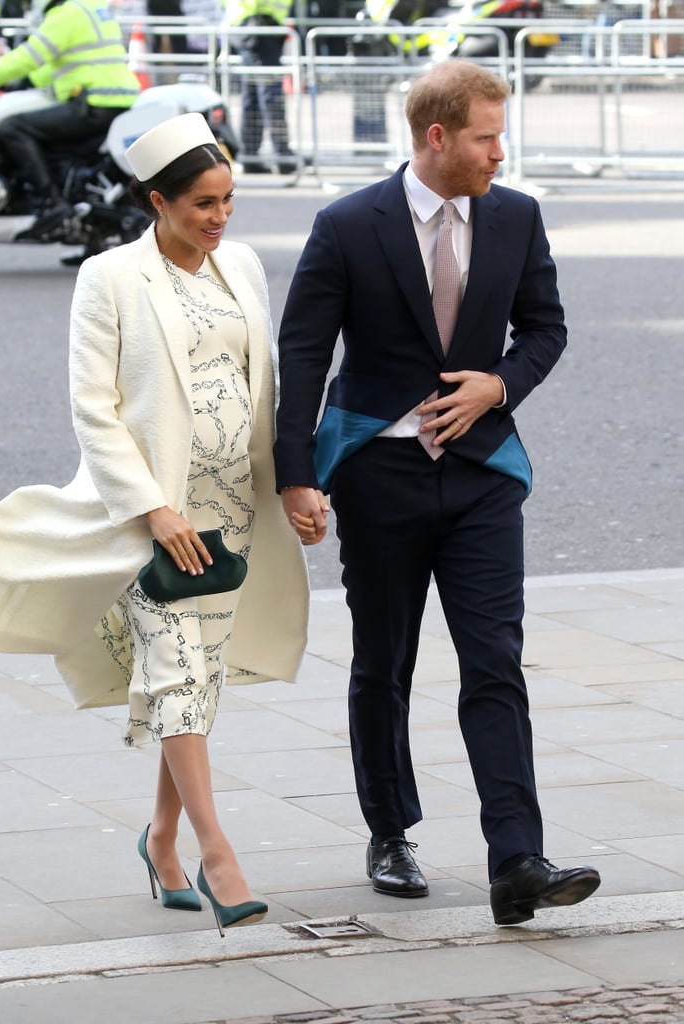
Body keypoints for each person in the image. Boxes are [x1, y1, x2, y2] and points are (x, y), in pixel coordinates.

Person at [0, 111, 309, 936]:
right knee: (174, 668)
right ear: (156, 201)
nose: (220, 218)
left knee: (199, 678)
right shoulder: (110, 278)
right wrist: (154, 509)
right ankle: (216, 853)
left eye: (228, 199)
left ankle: (161, 836)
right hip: (154, 514)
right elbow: (93, 411)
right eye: (202, 203)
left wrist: (292, 486)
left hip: (234, 505)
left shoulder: (240, 265)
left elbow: (262, 386)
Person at [273, 60, 602, 926]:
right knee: (385, 660)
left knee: (495, 659)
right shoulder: (348, 224)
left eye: (502, 135)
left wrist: (498, 385)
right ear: (438, 137)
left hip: (484, 474)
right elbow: (304, 353)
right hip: (379, 475)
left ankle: (517, 860)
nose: (502, 151)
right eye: (488, 136)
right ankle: (390, 832)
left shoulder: (517, 216)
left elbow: (545, 329)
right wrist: (295, 474)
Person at [0, 0, 140, 236]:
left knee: (14, 127)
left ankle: (50, 204)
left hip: (94, 103)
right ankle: (90, 235)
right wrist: (24, 81)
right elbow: (56, 63)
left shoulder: (66, 14)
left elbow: (29, 56)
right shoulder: (92, 7)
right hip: (117, 99)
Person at [224, 0, 300, 174]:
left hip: (248, 25)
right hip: (258, 26)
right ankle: (281, 155)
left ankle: (250, 154)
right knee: (270, 95)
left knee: (253, 95)